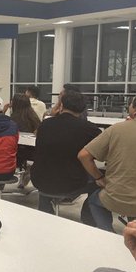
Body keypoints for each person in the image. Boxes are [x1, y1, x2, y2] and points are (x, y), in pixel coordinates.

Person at [78, 87, 136, 230]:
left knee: (94, 200)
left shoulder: (117, 129)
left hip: (116, 199)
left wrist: (98, 177)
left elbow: (84, 155)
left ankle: (107, 233)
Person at [30, 90, 101, 220]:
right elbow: (102, 153)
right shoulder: (89, 129)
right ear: (83, 109)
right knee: (98, 183)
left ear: (61, 105)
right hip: (70, 183)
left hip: (39, 180)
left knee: (49, 169)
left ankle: (44, 212)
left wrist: (52, 115)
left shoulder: (45, 125)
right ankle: (88, 220)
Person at [8, 92, 41, 189]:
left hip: (17, 151)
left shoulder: (13, 119)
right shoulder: (33, 117)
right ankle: (27, 171)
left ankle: (23, 171)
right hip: (33, 151)